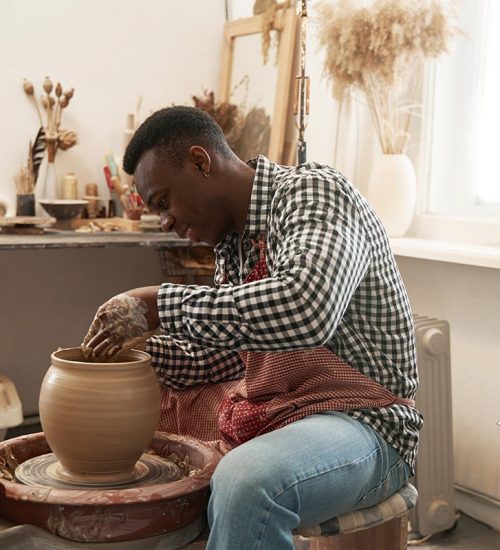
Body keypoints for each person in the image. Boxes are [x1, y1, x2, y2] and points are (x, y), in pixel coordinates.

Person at [82, 106, 423, 550]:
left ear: (201, 162)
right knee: (156, 450)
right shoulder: (234, 244)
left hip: (367, 421)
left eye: (164, 201)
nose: (164, 221)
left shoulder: (313, 194)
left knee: (246, 482)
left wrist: (158, 305)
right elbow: (220, 358)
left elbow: (306, 308)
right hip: (286, 409)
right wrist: (131, 355)